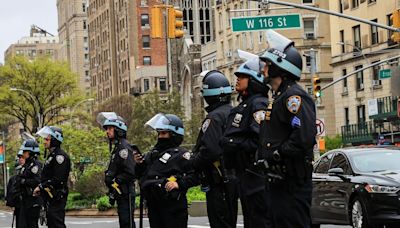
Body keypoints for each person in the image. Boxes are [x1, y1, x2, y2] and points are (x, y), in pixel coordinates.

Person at [258, 30, 316, 228]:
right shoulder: (279, 97)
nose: (264, 69)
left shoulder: (295, 97)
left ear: (279, 67)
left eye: (267, 65)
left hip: (292, 181)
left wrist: (277, 154)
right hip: (278, 181)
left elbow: (304, 137)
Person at [221, 56, 271, 228]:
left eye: (242, 77)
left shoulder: (258, 104)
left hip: (255, 176)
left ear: (254, 80)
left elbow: (260, 139)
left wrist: (234, 143)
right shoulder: (245, 104)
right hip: (244, 175)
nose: (237, 79)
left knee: (258, 220)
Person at [187, 70, 239, 228]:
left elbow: (210, 150)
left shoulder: (214, 118)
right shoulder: (234, 113)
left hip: (218, 180)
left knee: (220, 221)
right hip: (233, 178)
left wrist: (193, 161)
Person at [135, 113, 198, 228]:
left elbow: (196, 175)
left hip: (173, 207)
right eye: (159, 133)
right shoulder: (152, 154)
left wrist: (179, 183)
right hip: (154, 205)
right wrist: (139, 164)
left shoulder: (182, 155)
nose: (160, 137)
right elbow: (140, 175)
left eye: (164, 133)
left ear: (174, 134)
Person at [97, 112, 136, 228]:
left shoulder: (124, 147)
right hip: (120, 193)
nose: (107, 131)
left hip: (125, 192)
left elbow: (130, 172)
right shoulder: (118, 147)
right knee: (124, 222)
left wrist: (116, 181)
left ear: (119, 129)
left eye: (109, 128)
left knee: (127, 222)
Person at [33, 126, 71, 228]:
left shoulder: (60, 157)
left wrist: (41, 186)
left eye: (47, 139)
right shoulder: (52, 156)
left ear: (54, 140)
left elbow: (58, 179)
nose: (44, 142)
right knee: (51, 223)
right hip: (50, 196)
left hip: (57, 196)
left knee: (56, 223)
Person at [17, 139, 43, 228]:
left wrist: (24, 182)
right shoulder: (26, 165)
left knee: (32, 224)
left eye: (25, 151)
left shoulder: (35, 165)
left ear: (30, 152)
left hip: (33, 200)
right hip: (25, 200)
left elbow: (37, 180)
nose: (23, 154)